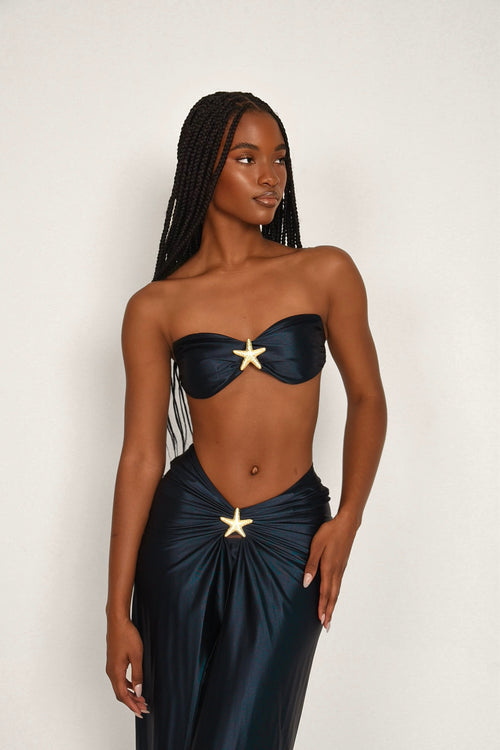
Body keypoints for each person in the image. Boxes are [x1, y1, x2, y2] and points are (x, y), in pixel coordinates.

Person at [105, 91, 387, 750]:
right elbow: (141, 457)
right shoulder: (156, 306)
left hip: (292, 536)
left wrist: (348, 518)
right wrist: (116, 610)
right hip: (183, 534)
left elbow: (369, 399)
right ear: (205, 167)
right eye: (247, 158)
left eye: (280, 159)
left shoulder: (325, 271)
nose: (271, 177)